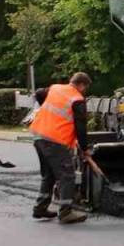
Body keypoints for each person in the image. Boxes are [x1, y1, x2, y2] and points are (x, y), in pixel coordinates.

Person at [29, 72, 91, 224]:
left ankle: (40, 208)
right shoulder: (77, 98)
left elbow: (38, 93)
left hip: (39, 135)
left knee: (49, 174)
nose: (84, 91)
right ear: (82, 85)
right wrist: (85, 148)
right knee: (67, 176)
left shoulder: (55, 88)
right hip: (55, 140)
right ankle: (65, 212)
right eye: (85, 88)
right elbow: (81, 126)